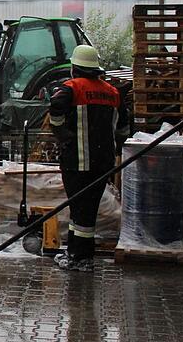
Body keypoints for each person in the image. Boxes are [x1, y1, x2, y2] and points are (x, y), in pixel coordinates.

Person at [48, 44, 128, 271]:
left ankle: (82, 258)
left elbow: (55, 108)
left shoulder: (72, 87)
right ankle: (74, 252)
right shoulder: (112, 92)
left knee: (81, 209)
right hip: (103, 163)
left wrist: (63, 134)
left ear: (75, 67)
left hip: (78, 161)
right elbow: (123, 127)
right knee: (85, 208)